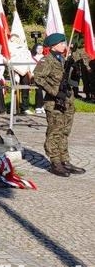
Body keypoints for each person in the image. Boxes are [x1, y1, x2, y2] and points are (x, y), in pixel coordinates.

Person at [33, 33, 85, 177]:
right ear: (54, 45)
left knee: (64, 132)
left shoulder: (62, 59)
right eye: (62, 43)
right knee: (54, 131)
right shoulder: (47, 60)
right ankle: (55, 162)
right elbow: (37, 78)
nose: (64, 45)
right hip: (54, 103)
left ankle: (65, 160)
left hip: (67, 101)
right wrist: (55, 92)